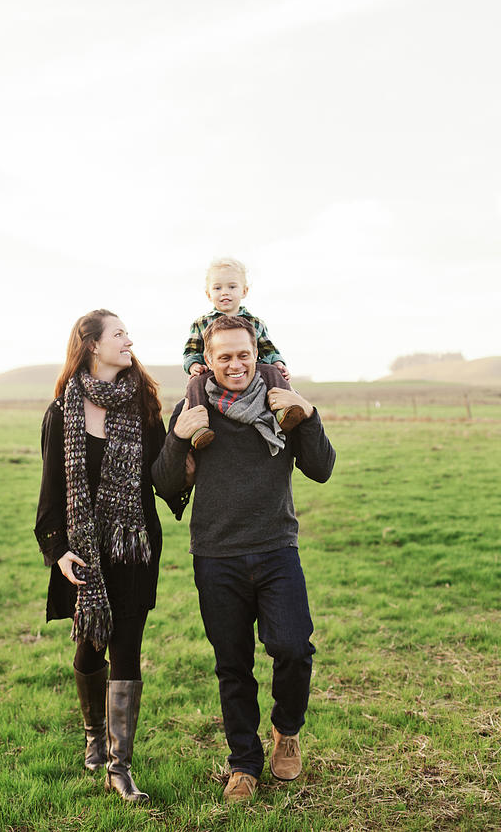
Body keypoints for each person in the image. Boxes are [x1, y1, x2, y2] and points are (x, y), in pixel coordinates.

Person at [152, 314, 335, 803]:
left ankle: (287, 731)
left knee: (294, 648)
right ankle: (243, 765)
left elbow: (321, 469)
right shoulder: (192, 411)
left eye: (243, 355)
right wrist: (177, 437)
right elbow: (167, 486)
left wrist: (310, 413)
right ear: (206, 362)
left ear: (258, 356)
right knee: (232, 665)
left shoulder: (281, 408)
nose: (235, 364)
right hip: (216, 556)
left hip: (277, 548)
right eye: (224, 356)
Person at [34, 309, 188, 804]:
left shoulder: (143, 406)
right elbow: (52, 493)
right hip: (84, 554)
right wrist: (57, 551)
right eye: (119, 333)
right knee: (90, 647)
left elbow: (164, 475)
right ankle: (94, 734)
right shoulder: (63, 412)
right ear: (92, 345)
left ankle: (119, 769)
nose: (129, 339)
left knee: (127, 646)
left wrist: (189, 442)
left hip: (136, 546)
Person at [182, 257, 303, 449]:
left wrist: (278, 363)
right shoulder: (201, 324)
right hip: (216, 371)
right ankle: (199, 428)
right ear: (208, 293)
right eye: (217, 288)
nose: (225, 293)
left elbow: (268, 349)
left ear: (244, 291)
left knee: (272, 372)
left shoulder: (256, 323)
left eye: (232, 287)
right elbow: (191, 351)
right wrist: (194, 365)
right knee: (195, 383)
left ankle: (284, 410)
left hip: (251, 373)